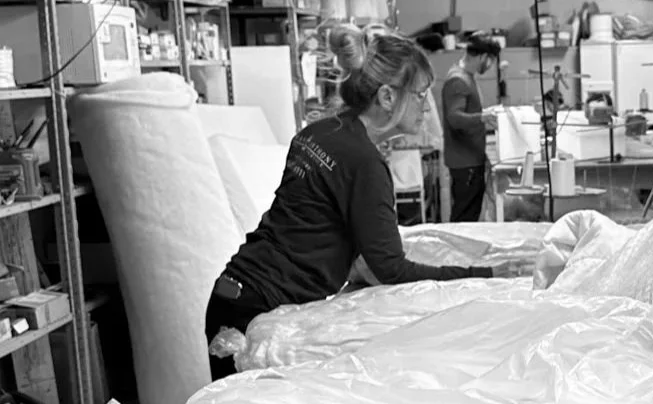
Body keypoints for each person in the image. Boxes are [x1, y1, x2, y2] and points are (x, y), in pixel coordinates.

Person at [204, 29, 493, 379]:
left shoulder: (318, 132)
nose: (427, 106)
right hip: (256, 320)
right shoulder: (365, 163)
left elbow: (314, 224)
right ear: (387, 96)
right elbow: (391, 270)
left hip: (233, 294)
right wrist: (481, 276)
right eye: (420, 95)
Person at [441, 34, 500, 222]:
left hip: (470, 159)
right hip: (465, 162)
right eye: (490, 60)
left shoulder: (466, 76)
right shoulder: (458, 81)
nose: (490, 66)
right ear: (483, 56)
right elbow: (454, 118)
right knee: (464, 218)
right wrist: (482, 117)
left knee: (469, 215)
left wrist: (482, 115)